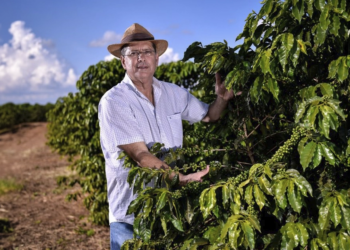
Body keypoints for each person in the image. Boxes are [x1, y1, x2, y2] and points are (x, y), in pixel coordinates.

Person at [98, 23, 235, 250]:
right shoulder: (114, 101)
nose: (141, 58)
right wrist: (179, 178)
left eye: (147, 52)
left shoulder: (173, 93)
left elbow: (209, 116)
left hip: (170, 210)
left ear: (157, 58)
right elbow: (141, 155)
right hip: (131, 215)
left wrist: (221, 99)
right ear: (123, 61)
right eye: (133, 53)